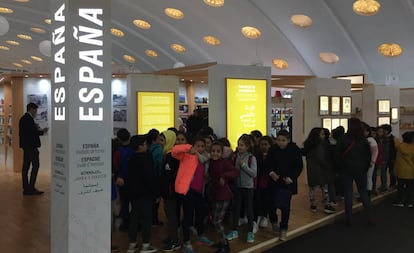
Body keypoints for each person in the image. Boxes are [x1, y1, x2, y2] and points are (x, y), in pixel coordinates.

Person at [336, 118, 373, 226]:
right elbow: (368, 157)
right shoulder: (363, 140)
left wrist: (339, 168)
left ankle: (349, 217)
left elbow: (337, 155)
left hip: (346, 169)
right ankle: (369, 216)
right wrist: (365, 168)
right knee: (363, 192)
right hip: (360, 169)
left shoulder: (343, 139)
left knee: (348, 193)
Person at [268, 130, 303, 241]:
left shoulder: (295, 150)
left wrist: (291, 178)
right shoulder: (273, 150)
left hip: (287, 182)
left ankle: (284, 228)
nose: (281, 143)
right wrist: (271, 172)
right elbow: (268, 163)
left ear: (288, 140)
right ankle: (274, 222)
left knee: (285, 206)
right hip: (274, 181)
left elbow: (299, 166)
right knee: (271, 204)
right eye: (278, 140)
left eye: (283, 140)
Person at [126, 135, 158, 253]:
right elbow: (150, 177)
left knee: (134, 217)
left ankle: (132, 243)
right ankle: (145, 244)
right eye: (144, 144)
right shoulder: (147, 158)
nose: (146, 145)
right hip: (145, 193)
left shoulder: (131, 158)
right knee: (146, 218)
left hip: (133, 193)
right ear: (140, 146)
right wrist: (155, 193)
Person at [208, 142, 240, 253]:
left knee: (217, 221)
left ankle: (225, 245)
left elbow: (236, 171)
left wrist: (224, 176)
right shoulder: (211, 162)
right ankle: (222, 242)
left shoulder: (223, 163)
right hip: (216, 194)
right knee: (216, 220)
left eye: (218, 151)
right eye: (213, 151)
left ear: (221, 153)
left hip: (224, 195)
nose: (215, 153)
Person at [226, 134, 257, 243]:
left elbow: (254, 173)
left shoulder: (251, 158)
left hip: (248, 187)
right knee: (236, 208)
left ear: (248, 147)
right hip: (237, 186)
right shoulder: (235, 156)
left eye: (242, 145)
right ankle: (234, 230)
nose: (240, 147)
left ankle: (250, 231)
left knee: (249, 209)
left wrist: (244, 166)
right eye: (239, 145)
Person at [302, 127, 335, 214]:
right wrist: (328, 166)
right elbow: (321, 158)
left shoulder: (308, 145)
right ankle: (327, 205)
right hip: (321, 169)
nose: (324, 136)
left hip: (311, 169)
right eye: (322, 134)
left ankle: (313, 205)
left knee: (312, 188)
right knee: (324, 188)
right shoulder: (321, 145)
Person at [19, 102, 48, 195]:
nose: (36, 112)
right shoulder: (29, 119)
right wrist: (42, 132)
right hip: (31, 147)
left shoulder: (23, 118)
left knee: (25, 167)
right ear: (31, 109)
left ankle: (26, 188)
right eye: (35, 110)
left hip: (26, 147)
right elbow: (32, 133)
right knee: (35, 165)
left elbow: (26, 133)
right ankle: (31, 188)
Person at [392, 131, 414, 208]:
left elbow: (396, 141)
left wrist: (395, 138)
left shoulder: (399, 146)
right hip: (411, 171)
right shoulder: (413, 148)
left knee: (400, 187)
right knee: (410, 188)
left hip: (400, 171)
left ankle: (400, 201)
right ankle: (410, 202)